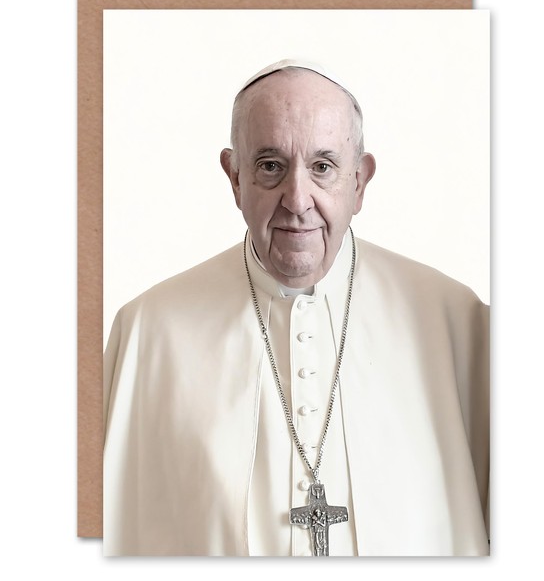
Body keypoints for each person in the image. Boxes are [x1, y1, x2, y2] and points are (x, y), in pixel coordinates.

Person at [103, 59, 489, 557]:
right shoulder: (148, 332)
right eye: (271, 166)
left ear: (360, 182)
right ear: (234, 177)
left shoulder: (457, 322)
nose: (297, 200)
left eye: (323, 167)